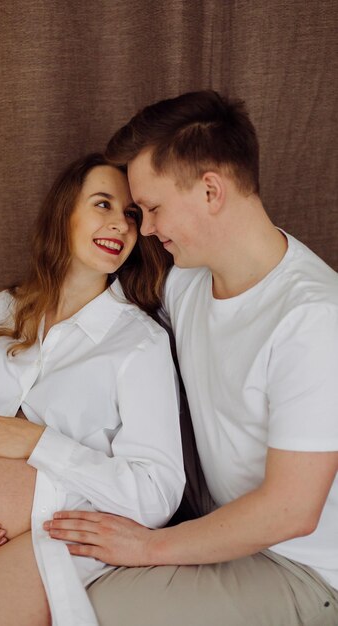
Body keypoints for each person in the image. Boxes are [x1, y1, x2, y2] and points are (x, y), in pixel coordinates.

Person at [44, 92, 338, 626]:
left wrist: (150, 548)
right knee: (49, 584)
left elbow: (293, 510)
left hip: (308, 569)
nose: (147, 229)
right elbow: (96, 335)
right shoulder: (187, 281)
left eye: (152, 208)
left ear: (210, 190)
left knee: (82, 612)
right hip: (222, 535)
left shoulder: (315, 318)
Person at [0, 153, 185, 626]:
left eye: (132, 215)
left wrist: (39, 443)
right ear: (65, 213)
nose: (120, 224)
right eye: (103, 205)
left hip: (50, 541)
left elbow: (156, 493)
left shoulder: (140, 342)